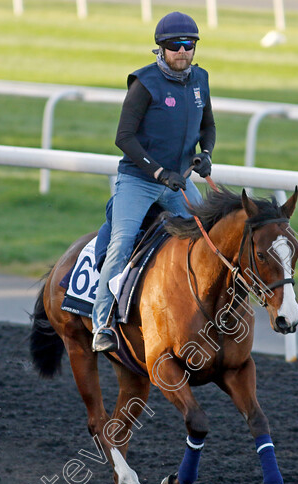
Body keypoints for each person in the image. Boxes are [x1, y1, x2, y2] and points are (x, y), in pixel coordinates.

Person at [91, 11, 216, 352]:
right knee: (121, 243)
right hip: (139, 180)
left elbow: (208, 127)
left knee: (209, 239)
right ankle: (101, 324)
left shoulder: (200, 80)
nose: (182, 51)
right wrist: (159, 172)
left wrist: (206, 155)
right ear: (161, 48)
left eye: (188, 44)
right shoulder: (144, 83)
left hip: (179, 181)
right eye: (175, 45)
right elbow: (124, 137)